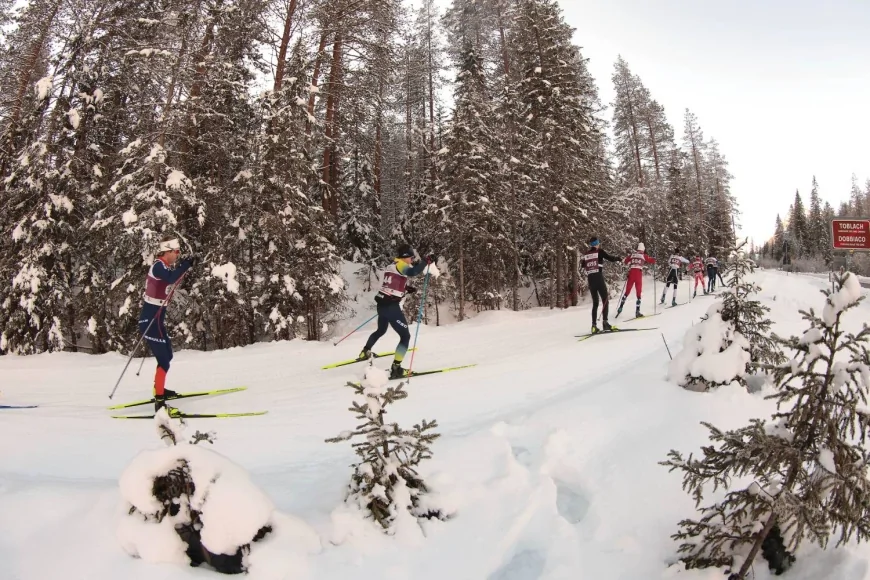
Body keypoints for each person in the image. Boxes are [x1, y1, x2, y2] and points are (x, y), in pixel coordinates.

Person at [139, 235, 196, 411]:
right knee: (164, 360)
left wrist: (186, 264)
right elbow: (171, 278)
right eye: (176, 252)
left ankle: (160, 388)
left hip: (156, 319)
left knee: (168, 355)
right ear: (168, 251)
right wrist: (186, 265)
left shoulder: (163, 266)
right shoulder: (158, 266)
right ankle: (159, 401)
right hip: (150, 321)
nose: (178, 254)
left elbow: (172, 276)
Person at [359, 245, 433, 379]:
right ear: (406, 257)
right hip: (391, 307)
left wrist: (406, 288)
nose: (411, 260)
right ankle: (396, 369)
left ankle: (365, 352)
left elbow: (391, 283)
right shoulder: (401, 264)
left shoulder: (392, 265)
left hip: (382, 305)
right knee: (405, 337)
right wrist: (425, 261)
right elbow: (413, 272)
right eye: (411, 258)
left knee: (381, 330)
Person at [581, 237, 621, 333]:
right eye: (598, 243)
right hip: (598, 278)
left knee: (595, 303)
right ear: (597, 244)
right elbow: (610, 258)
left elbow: (582, 264)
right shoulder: (599, 251)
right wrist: (618, 258)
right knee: (605, 300)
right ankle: (605, 323)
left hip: (591, 280)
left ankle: (594, 326)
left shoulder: (586, 254)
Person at [617, 242, 656, 318]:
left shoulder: (632, 255)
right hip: (638, 274)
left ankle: (620, 307)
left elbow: (625, 261)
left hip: (631, 273)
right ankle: (637, 311)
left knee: (627, 292)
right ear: (643, 249)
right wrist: (654, 257)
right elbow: (652, 260)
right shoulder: (644, 256)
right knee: (638, 293)